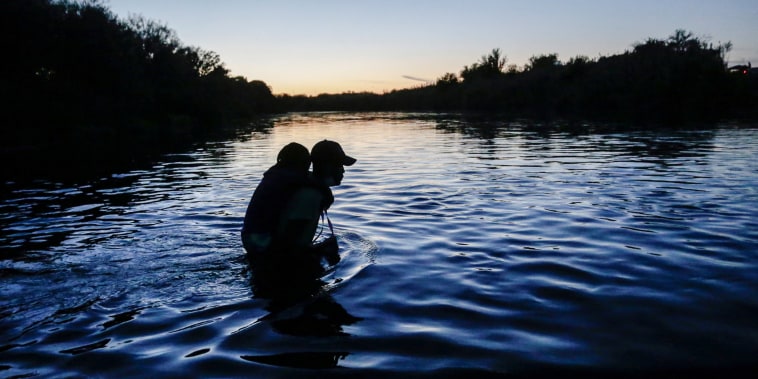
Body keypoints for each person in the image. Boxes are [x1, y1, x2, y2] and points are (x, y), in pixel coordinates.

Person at [241, 140, 356, 289]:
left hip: (264, 248)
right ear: (328, 166)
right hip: (273, 262)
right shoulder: (310, 195)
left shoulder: (308, 187)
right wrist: (318, 252)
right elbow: (288, 244)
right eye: (339, 165)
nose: (343, 171)